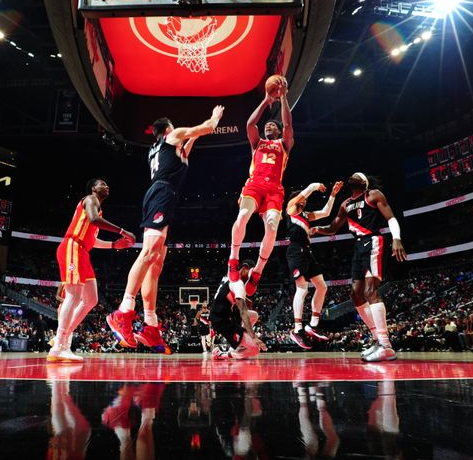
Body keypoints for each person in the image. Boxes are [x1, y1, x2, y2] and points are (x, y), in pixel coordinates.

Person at [107, 106, 225, 354]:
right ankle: (123, 311)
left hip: (166, 195)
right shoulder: (173, 136)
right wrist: (214, 118)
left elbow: (190, 144)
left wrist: (195, 136)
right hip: (161, 194)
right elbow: (204, 129)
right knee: (149, 253)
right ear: (168, 129)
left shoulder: (167, 149)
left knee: (157, 261)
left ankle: (150, 325)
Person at [315, 173, 407, 362]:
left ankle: (386, 345)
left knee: (371, 290)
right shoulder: (345, 203)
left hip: (373, 240)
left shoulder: (373, 195)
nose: (353, 175)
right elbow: (333, 228)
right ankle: (377, 339)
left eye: (358, 175)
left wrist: (396, 238)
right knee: (356, 294)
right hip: (358, 245)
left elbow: (390, 218)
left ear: (364, 183)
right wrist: (317, 229)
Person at [50, 178, 136, 363]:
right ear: (93, 188)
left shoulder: (97, 210)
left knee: (91, 299)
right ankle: (59, 346)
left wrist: (114, 245)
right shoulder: (90, 199)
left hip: (83, 251)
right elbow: (94, 219)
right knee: (73, 295)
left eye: (107, 184)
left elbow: (93, 241)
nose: (107, 186)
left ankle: (61, 340)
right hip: (72, 246)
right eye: (102, 184)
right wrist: (122, 231)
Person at [227, 77, 294, 288]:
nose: (269, 126)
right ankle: (233, 258)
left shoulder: (284, 144)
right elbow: (250, 124)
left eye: (273, 125)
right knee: (243, 215)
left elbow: (289, 124)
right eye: (267, 125)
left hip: (275, 189)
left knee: (272, 227)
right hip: (255, 184)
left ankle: (257, 271)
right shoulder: (257, 143)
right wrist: (266, 100)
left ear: (278, 131)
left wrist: (283, 98)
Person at [284, 180, 343, 349]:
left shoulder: (306, 215)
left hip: (307, 252)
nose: (305, 199)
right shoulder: (291, 208)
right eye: (302, 197)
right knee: (302, 288)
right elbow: (307, 190)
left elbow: (325, 212)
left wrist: (332, 195)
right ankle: (297, 329)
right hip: (295, 251)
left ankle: (313, 325)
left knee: (322, 287)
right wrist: (315, 185)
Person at [209, 259, 267, 360]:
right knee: (255, 349)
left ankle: (240, 344)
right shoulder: (238, 283)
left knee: (254, 315)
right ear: (244, 269)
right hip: (222, 321)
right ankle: (223, 355)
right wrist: (253, 337)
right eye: (251, 274)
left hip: (224, 314)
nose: (252, 278)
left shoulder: (228, 277)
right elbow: (243, 311)